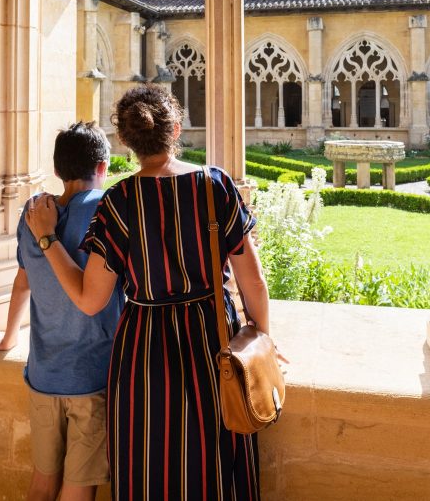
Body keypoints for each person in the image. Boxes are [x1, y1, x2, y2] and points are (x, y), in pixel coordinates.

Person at [26, 85, 273, 501]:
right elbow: (253, 282)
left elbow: (90, 300)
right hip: (211, 342)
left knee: (151, 461)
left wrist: (48, 239)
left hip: (144, 351)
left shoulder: (118, 202)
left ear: (125, 141)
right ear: (175, 129)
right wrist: (263, 338)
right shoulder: (214, 186)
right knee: (214, 457)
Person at [0, 121, 125, 501]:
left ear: (57, 170)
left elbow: (23, 281)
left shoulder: (33, 211)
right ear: (103, 168)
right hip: (91, 380)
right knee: (77, 489)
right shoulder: (107, 212)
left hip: (43, 376)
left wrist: (10, 337)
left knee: (42, 483)